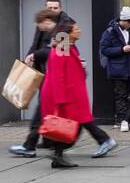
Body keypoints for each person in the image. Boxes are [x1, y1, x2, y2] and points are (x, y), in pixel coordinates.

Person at [40, 17, 118, 167]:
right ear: (67, 33)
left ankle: (58, 155)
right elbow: (58, 76)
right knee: (71, 126)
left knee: (72, 125)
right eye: (76, 29)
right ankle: (59, 154)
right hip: (67, 95)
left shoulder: (68, 46)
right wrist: (60, 99)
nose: (79, 31)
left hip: (72, 94)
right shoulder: (62, 49)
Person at [9, 9, 62, 157]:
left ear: (46, 21)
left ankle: (31, 146)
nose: (38, 26)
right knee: (43, 113)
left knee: (42, 114)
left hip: (54, 81)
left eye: (39, 23)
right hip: (50, 80)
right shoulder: (50, 33)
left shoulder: (60, 33)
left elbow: (56, 54)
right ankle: (41, 145)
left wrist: (34, 55)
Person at [97, 6, 130, 133]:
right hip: (117, 69)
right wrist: (121, 49)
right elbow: (104, 49)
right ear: (123, 20)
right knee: (120, 95)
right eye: (129, 22)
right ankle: (122, 121)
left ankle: (124, 120)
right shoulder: (110, 32)